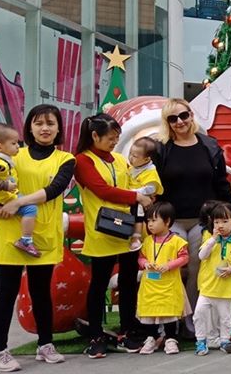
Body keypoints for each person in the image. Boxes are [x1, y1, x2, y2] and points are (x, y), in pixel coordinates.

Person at [0, 104, 75, 371]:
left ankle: (45, 344)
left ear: (59, 128)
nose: (44, 128)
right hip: (10, 232)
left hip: (44, 235)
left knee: (41, 292)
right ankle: (0, 351)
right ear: (29, 127)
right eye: (38, 123)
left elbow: (54, 189)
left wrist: (19, 202)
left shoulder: (66, 159)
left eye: (50, 123)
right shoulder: (13, 155)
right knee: (6, 292)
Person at [154, 99, 231, 336]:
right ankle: (168, 323)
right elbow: (153, 184)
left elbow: (221, 183)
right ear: (167, 123)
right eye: (173, 118)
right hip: (172, 220)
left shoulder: (209, 146)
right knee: (173, 270)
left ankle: (193, 323)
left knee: (199, 270)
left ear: (191, 115)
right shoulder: (161, 149)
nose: (179, 122)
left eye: (183, 115)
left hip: (204, 220)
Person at [75, 113, 153, 358]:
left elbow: (130, 184)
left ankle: (128, 330)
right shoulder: (82, 161)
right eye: (110, 138)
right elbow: (102, 190)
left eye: (117, 137)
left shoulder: (119, 159)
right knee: (99, 285)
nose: (114, 142)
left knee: (129, 283)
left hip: (127, 231)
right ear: (94, 136)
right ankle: (96, 335)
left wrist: (145, 192)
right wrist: (137, 196)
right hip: (102, 232)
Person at [0, 123, 41, 257]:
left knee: (26, 201)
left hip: (2, 198)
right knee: (31, 209)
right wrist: (5, 185)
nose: (18, 146)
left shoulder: (1, 159)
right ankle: (26, 241)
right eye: (14, 143)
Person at [194, 201, 231, 355]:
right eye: (217, 222)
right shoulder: (210, 240)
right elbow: (201, 256)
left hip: (227, 290)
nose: (220, 225)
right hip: (207, 288)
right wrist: (213, 240)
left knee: (225, 318)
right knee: (199, 314)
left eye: (225, 221)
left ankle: (225, 341)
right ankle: (201, 341)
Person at [136, 202, 189, 355]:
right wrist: (145, 264)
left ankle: (171, 339)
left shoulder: (177, 241)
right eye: (148, 221)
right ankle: (151, 338)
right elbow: (141, 258)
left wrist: (169, 265)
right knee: (149, 311)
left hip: (169, 284)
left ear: (167, 221)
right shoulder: (147, 241)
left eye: (154, 220)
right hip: (150, 285)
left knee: (169, 311)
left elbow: (184, 258)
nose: (150, 224)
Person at [127, 136, 164, 252]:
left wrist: (135, 192)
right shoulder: (132, 167)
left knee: (137, 213)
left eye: (135, 156)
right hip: (129, 198)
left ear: (146, 159)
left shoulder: (150, 170)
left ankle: (136, 237)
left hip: (141, 202)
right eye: (130, 154)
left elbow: (151, 188)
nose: (131, 158)